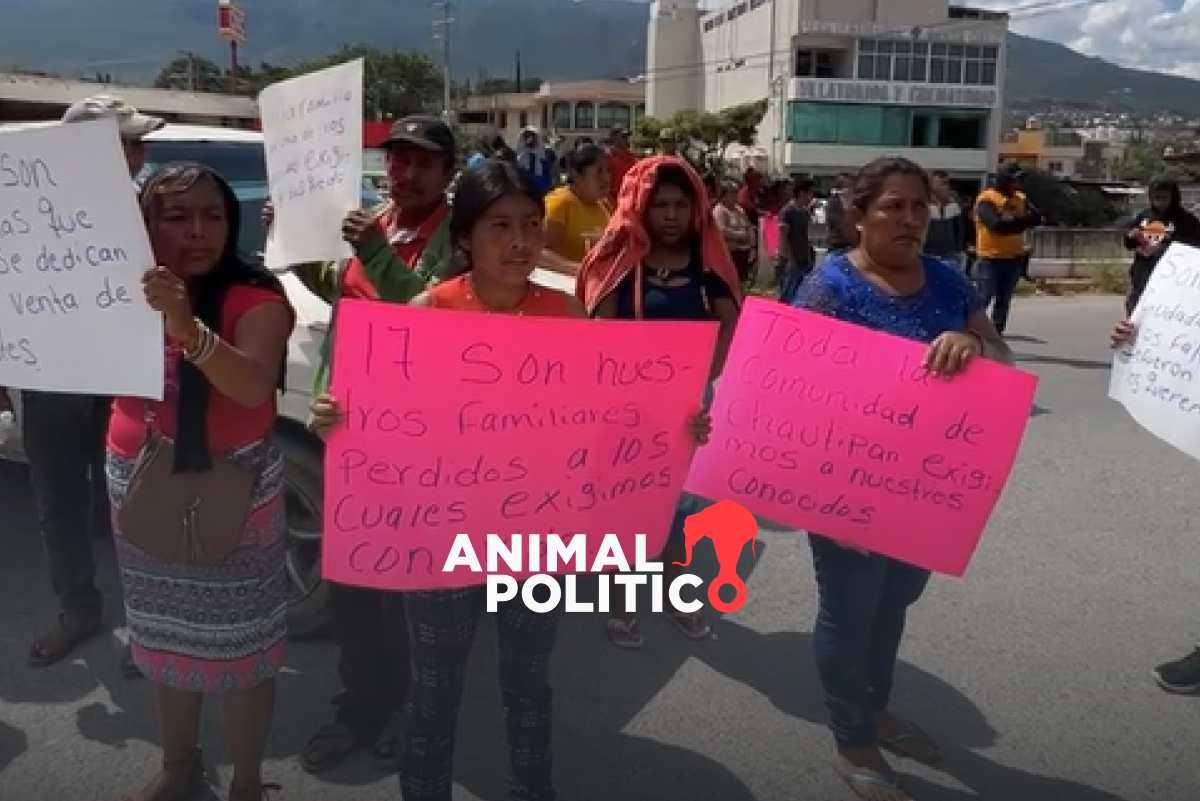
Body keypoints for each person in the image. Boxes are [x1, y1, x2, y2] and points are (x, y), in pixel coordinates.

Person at [310, 160, 584, 801]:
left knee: (529, 685)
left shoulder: (569, 314)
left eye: (531, 225)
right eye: (500, 226)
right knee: (434, 688)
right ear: (466, 237)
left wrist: (676, 427)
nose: (520, 242)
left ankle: (532, 789)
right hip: (440, 535)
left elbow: (597, 422)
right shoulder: (429, 311)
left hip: (536, 535)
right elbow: (382, 420)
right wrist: (338, 420)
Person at [792, 157, 1010, 801]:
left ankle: (877, 708)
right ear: (859, 215)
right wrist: (825, 500)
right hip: (846, 488)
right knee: (849, 613)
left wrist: (974, 346)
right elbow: (788, 393)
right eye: (893, 206)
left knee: (894, 603)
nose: (910, 219)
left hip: (926, 489)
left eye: (919, 206)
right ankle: (852, 738)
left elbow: (1003, 358)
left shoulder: (948, 281)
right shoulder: (827, 287)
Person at [111, 163, 295, 801]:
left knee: (243, 651)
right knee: (164, 638)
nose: (198, 231)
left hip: (234, 494)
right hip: (138, 481)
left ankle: (245, 783)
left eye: (213, 215)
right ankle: (178, 766)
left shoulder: (256, 296)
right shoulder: (117, 290)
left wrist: (185, 328)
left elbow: (251, 384)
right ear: (145, 226)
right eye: (177, 216)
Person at [298, 115, 458, 774]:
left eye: (421, 162)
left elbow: (431, 309)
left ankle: (409, 710)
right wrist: (298, 247)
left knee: (406, 590)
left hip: (417, 438)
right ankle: (359, 706)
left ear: (447, 172)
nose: (405, 172)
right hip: (350, 428)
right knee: (353, 584)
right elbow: (342, 289)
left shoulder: (458, 236)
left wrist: (373, 251)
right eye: (397, 159)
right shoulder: (379, 221)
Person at [15, 95, 163, 677]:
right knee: (59, 502)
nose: (140, 154)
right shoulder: (21, 202)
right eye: (129, 144)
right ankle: (78, 609)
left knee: (137, 500)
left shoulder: (152, 206)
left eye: (139, 144)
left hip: (127, 375)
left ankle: (150, 624)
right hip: (49, 378)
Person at [577, 156, 741, 649]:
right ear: (640, 209)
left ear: (695, 208)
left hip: (686, 410)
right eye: (660, 205)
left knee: (680, 508)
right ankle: (623, 604)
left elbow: (730, 324)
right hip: (624, 408)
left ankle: (677, 597)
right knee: (625, 505)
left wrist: (702, 382)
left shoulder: (708, 263)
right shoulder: (620, 260)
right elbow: (599, 327)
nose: (670, 215)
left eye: (680, 205)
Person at [973, 163, 1042, 334]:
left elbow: (1037, 218)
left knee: (1004, 300)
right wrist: (1021, 222)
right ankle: (971, 329)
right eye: (1014, 180)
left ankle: (996, 333)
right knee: (983, 298)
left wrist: (1012, 221)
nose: (1017, 183)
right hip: (990, 258)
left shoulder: (1020, 198)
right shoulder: (987, 199)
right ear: (1003, 180)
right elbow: (996, 225)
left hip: (1013, 258)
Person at [1123, 175, 1200, 314]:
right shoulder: (1144, 216)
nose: (1160, 202)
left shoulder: (1187, 221)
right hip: (1143, 279)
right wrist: (1131, 237)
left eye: (1164, 198)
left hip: (1171, 282)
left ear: (1173, 197)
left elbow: (1193, 249)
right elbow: (1130, 244)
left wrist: (1164, 246)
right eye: (1156, 198)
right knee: (1135, 316)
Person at [541, 143, 611, 275]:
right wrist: (579, 270)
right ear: (576, 175)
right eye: (599, 171)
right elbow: (538, 252)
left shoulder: (604, 206)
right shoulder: (560, 202)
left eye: (608, 171)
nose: (606, 178)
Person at [778, 177, 816, 302]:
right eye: (810, 193)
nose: (812, 197)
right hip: (791, 260)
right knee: (787, 294)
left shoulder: (804, 212)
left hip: (803, 259)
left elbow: (805, 236)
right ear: (802, 193)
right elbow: (783, 238)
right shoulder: (788, 211)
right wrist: (790, 259)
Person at [714, 181, 757, 284]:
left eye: (735, 192)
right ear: (723, 195)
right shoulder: (719, 210)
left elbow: (748, 226)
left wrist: (752, 245)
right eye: (732, 192)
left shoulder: (739, 210)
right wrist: (740, 235)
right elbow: (721, 230)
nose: (735, 195)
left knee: (741, 282)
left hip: (743, 252)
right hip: (729, 254)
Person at [924, 169, 967, 271]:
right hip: (929, 255)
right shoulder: (924, 206)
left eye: (946, 183)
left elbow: (960, 230)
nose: (945, 186)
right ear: (931, 185)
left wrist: (959, 250)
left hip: (950, 256)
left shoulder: (954, 206)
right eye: (941, 183)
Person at [516, 128, 557, 198]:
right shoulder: (522, 156)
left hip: (543, 188)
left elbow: (552, 170)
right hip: (528, 190)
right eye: (527, 136)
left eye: (531, 136)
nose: (529, 139)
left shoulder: (547, 152)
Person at [825, 173, 858, 254]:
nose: (851, 189)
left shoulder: (854, 202)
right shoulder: (834, 202)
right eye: (849, 186)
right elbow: (839, 223)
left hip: (852, 247)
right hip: (837, 247)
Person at [606, 126, 639, 207]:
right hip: (612, 203)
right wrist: (613, 206)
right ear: (614, 138)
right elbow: (604, 186)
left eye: (627, 137)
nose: (627, 139)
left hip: (630, 201)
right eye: (623, 137)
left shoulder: (632, 157)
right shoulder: (607, 157)